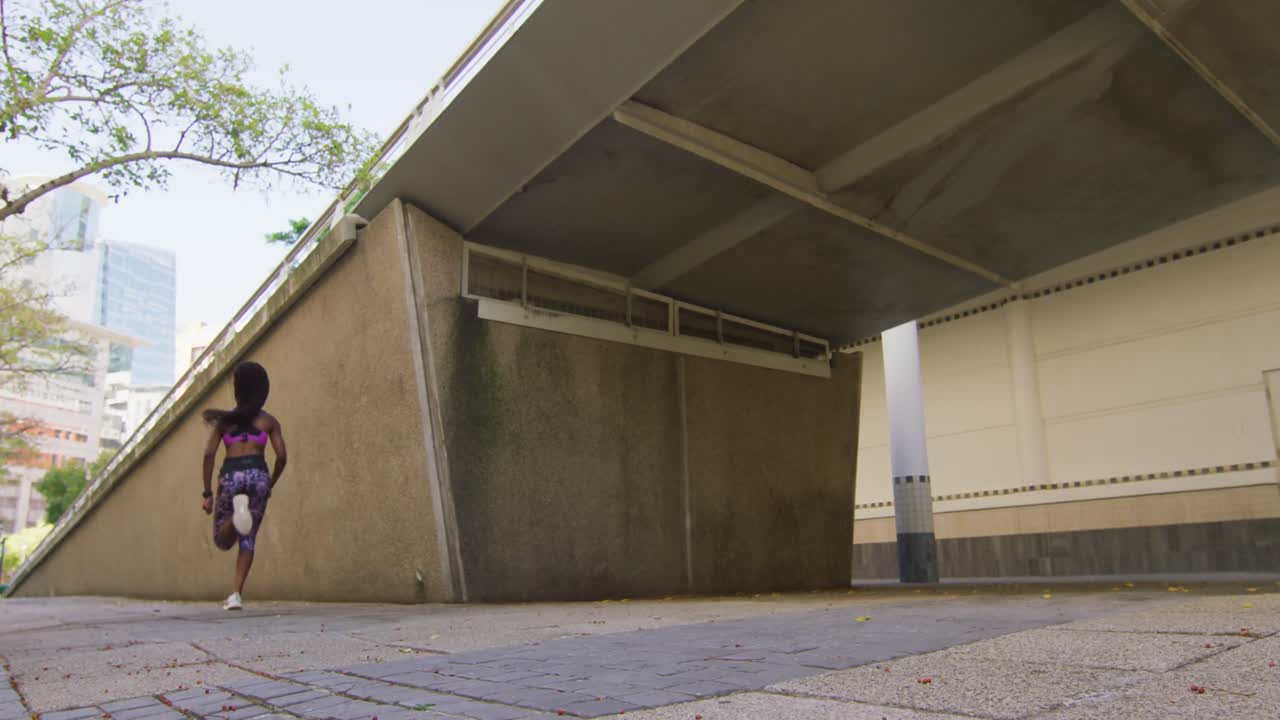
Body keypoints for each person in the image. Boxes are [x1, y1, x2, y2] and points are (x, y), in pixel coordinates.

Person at [200, 361, 287, 610]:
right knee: (248, 539)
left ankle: (238, 516)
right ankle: (236, 594)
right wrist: (269, 482)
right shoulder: (269, 422)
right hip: (258, 475)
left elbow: (208, 455)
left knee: (222, 539)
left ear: (238, 389)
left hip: (231, 476)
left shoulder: (225, 423)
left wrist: (207, 492)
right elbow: (281, 456)